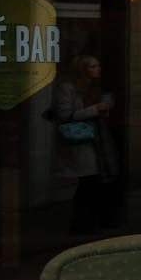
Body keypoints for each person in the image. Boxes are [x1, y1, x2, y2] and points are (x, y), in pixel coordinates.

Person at [49, 54, 121, 233]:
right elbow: (65, 115)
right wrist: (95, 109)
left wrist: (104, 109)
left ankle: (90, 223)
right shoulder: (68, 88)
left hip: (96, 139)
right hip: (80, 140)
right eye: (93, 66)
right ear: (82, 70)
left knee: (93, 182)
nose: (98, 69)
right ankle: (81, 224)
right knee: (87, 183)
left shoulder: (92, 87)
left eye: (98, 66)